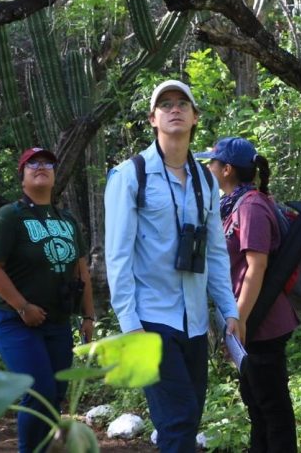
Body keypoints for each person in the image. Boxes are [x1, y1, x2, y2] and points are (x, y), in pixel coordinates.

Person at [104, 79, 240, 453]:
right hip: (150, 319)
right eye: (165, 104)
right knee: (178, 420)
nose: (174, 108)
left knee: (189, 414)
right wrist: (129, 324)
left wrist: (229, 310)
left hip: (194, 321)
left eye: (183, 103)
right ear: (152, 118)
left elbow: (215, 251)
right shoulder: (131, 175)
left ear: (195, 117)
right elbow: (118, 255)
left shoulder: (205, 181)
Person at [0, 147, 94, 453]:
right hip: (14, 320)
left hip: (57, 321)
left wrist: (88, 316)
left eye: (47, 163)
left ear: (56, 176)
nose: (41, 167)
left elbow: (80, 268)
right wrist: (22, 306)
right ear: (22, 177)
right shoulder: (8, 217)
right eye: (33, 164)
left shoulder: (66, 219)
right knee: (38, 390)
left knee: (56, 391)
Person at [203, 137, 299, 452]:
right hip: (245, 322)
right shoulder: (231, 206)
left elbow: (256, 267)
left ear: (227, 169)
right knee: (257, 407)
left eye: (213, 162)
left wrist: (239, 318)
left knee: (272, 408)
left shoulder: (252, 206)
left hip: (262, 321)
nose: (208, 166)